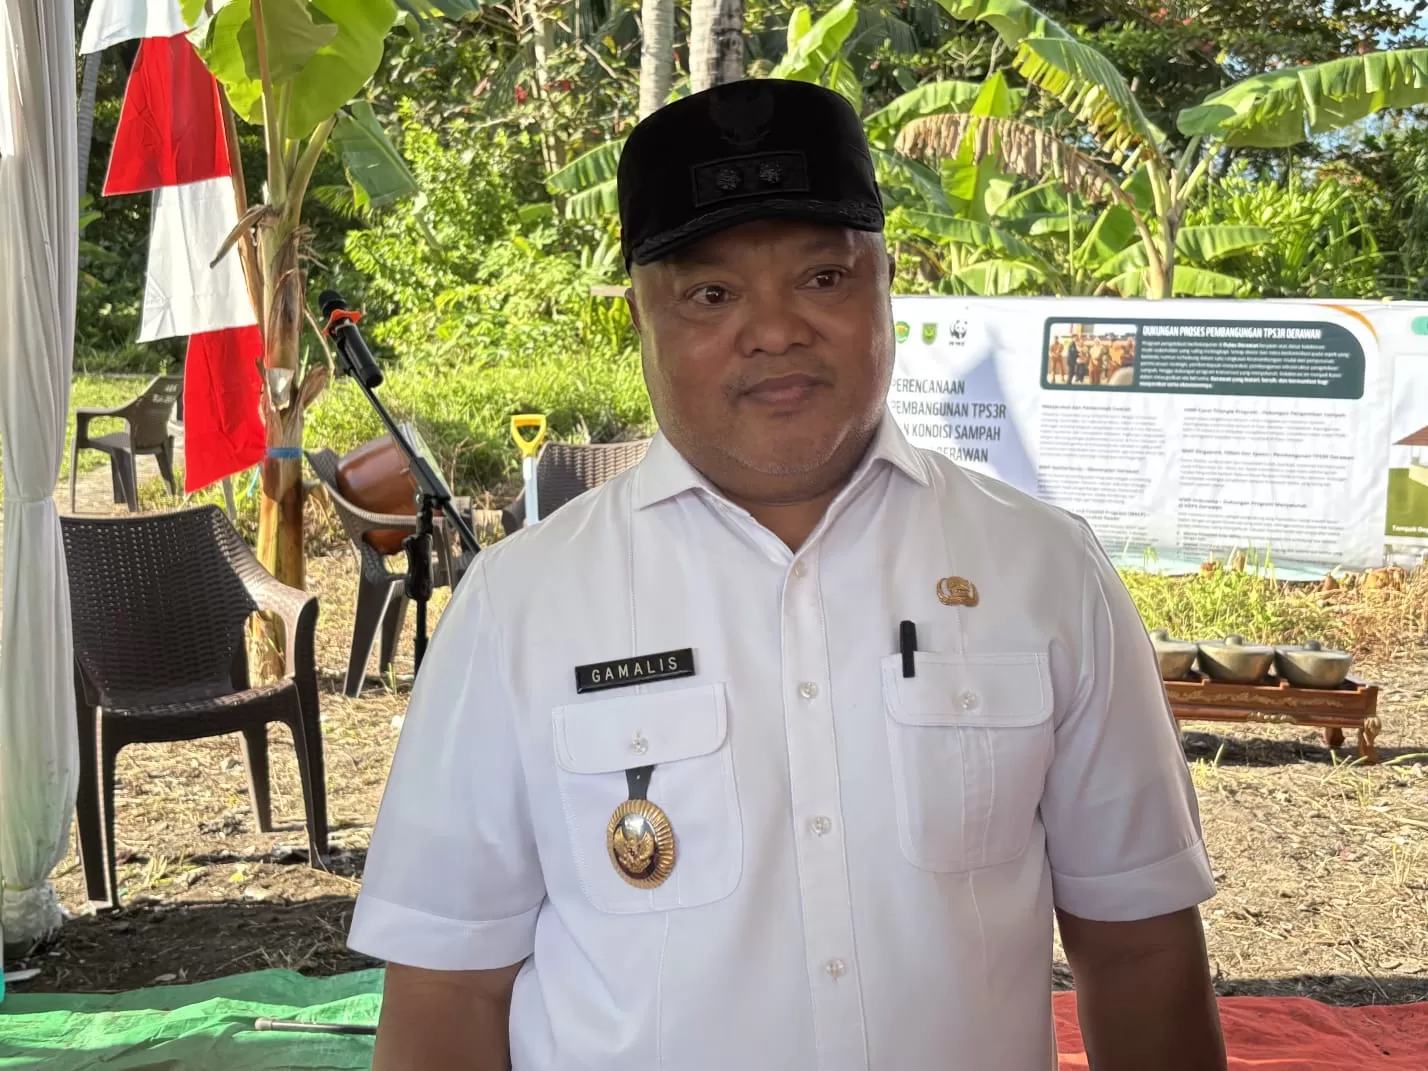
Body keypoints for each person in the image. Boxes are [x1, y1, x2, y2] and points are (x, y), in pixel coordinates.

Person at [347, 79, 1227, 1071]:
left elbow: (1141, 945)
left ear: (886, 281)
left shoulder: (1045, 569)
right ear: (641, 317)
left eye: (822, 277)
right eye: (712, 295)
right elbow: (449, 989)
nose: (774, 331)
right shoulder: (520, 606)